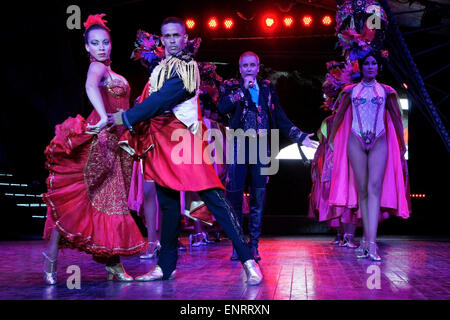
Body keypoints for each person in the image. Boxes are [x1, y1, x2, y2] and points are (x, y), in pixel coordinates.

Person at [108, 17, 263, 285]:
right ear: (162, 40)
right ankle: (166, 266)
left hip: (182, 138)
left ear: (184, 38)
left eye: (176, 36)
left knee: (214, 197)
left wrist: (127, 117)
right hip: (160, 139)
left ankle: (248, 260)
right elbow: (151, 99)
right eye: (166, 36)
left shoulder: (188, 67)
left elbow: (163, 98)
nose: (171, 41)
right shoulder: (159, 67)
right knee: (167, 204)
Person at [41, 14, 147, 285]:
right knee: (80, 202)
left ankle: (112, 265)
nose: (101, 47)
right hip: (100, 141)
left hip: (119, 144)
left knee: (112, 203)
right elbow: (90, 86)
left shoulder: (115, 73)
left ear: (111, 44)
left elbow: (122, 108)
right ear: (87, 47)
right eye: (95, 43)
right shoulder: (96, 69)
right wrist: (101, 117)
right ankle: (51, 257)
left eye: (105, 42)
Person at [217, 51, 319, 261]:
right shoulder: (231, 87)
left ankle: (253, 245)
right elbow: (222, 107)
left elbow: (280, 117)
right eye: (245, 66)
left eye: (252, 65)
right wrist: (241, 91)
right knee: (235, 197)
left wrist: (300, 137)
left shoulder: (266, 89)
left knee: (258, 197)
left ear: (258, 66)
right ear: (240, 68)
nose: (248, 69)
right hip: (238, 146)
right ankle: (238, 246)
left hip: (261, 148)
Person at [328, 51, 411, 261]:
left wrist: (402, 144)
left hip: (379, 141)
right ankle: (365, 240)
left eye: (375, 63)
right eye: (367, 64)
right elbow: (338, 116)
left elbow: (397, 118)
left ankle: (371, 244)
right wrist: (330, 139)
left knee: (374, 189)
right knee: (363, 191)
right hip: (355, 140)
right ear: (361, 67)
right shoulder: (350, 91)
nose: (371, 67)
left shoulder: (386, 91)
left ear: (379, 67)